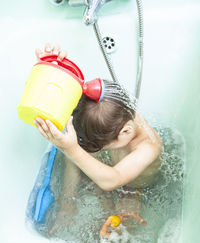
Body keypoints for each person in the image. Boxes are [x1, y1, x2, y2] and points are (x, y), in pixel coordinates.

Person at [34, 43, 163, 230]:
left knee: (124, 228)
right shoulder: (112, 107)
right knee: (75, 147)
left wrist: (72, 149)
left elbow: (114, 179)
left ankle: (108, 199)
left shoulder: (148, 147)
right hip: (111, 168)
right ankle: (67, 204)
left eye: (103, 145)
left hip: (132, 187)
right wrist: (52, 65)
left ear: (125, 132)